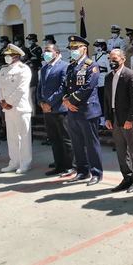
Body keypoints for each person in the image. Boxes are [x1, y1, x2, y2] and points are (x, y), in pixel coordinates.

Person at [60, 36, 103, 185]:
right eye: (71, 48)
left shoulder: (92, 65)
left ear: (84, 48)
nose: (72, 51)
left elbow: (88, 87)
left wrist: (71, 101)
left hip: (87, 110)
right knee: (77, 143)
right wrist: (66, 100)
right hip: (72, 111)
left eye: (75, 48)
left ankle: (96, 173)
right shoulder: (71, 66)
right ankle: (82, 171)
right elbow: (65, 85)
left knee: (91, 144)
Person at [105, 49, 133, 194]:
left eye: (115, 58)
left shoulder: (130, 75)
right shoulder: (108, 77)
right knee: (121, 150)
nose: (111, 61)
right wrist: (107, 117)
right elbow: (107, 99)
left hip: (127, 119)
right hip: (114, 118)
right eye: (110, 58)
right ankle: (126, 177)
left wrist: (131, 119)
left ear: (123, 59)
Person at [37, 44, 73, 177]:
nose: (45, 53)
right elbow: (40, 87)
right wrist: (41, 102)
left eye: (48, 51)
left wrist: (50, 102)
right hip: (47, 110)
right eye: (44, 51)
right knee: (54, 139)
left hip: (60, 108)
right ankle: (59, 165)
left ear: (57, 53)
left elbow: (63, 87)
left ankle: (70, 166)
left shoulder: (65, 66)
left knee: (65, 138)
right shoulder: (44, 68)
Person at [0, 44, 33, 174]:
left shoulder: (24, 69)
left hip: (20, 107)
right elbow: (0, 87)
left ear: (16, 56)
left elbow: (21, 88)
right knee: (11, 137)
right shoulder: (3, 70)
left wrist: (9, 102)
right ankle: (14, 162)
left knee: (24, 137)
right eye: (6, 55)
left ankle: (25, 163)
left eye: (9, 55)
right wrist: (2, 101)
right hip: (7, 108)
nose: (6, 57)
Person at [92, 39, 111, 120]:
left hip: (104, 80)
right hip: (96, 81)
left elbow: (109, 69)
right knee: (98, 100)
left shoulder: (106, 56)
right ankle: (100, 119)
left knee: (104, 100)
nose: (96, 48)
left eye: (98, 46)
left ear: (102, 46)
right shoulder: (93, 57)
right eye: (95, 46)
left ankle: (106, 119)